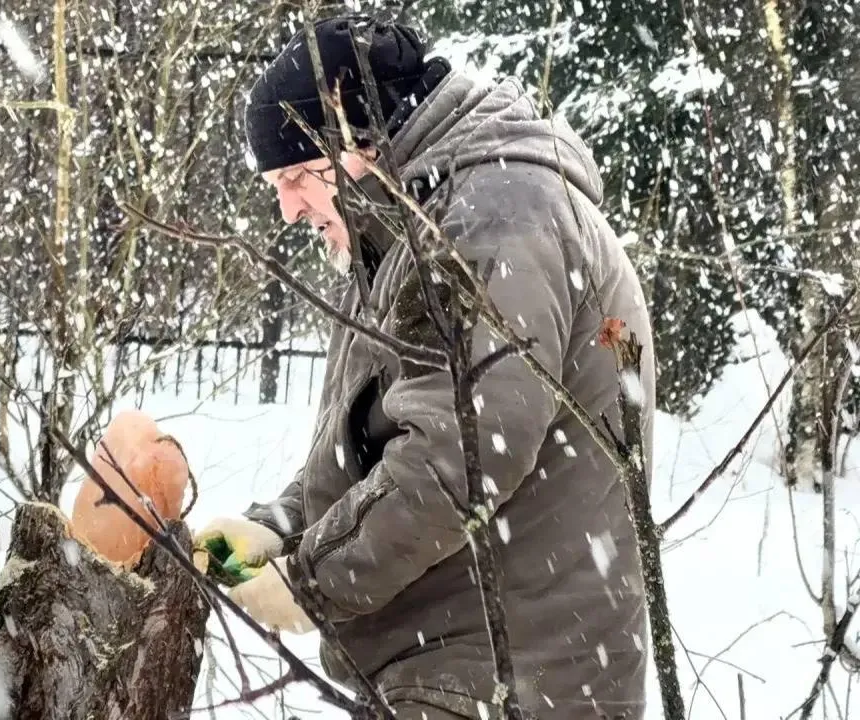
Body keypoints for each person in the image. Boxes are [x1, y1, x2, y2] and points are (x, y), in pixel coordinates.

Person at [193, 13, 657, 720]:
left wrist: (312, 580)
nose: (289, 210)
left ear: (354, 142)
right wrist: (284, 528)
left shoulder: (493, 217)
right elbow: (384, 437)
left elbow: (459, 459)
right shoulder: (416, 225)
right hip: (463, 666)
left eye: (295, 177)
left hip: (515, 678)